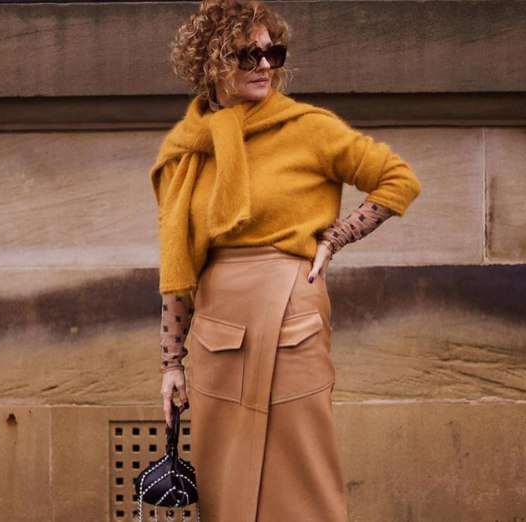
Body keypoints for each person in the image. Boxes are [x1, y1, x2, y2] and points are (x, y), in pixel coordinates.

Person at [149, 1, 421, 520]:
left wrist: (336, 236)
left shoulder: (308, 128)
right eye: (247, 55)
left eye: (273, 53)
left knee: (302, 476)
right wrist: (170, 363)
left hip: (292, 317)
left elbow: (398, 179)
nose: (265, 66)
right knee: (224, 483)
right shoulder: (186, 149)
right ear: (211, 62)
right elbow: (176, 264)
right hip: (217, 331)